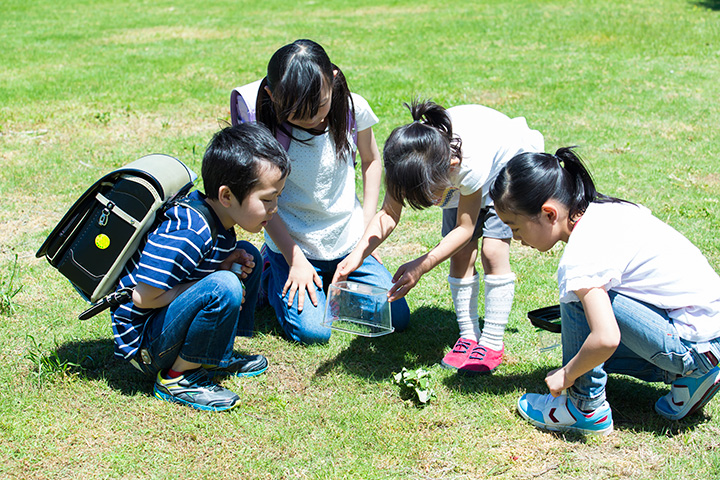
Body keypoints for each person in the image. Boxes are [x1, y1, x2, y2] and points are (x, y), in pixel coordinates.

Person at [489, 147, 720, 435]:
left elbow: (607, 338)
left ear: (549, 213)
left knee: (579, 301)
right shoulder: (608, 212)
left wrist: (566, 374)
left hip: (689, 343)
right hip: (710, 335)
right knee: (590, 316)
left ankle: (585, 407)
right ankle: (693, 374)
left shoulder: (580, 257)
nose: (515, 238)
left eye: (515, 226)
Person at [334, 100, 544, 375]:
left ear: (450, 167)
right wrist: (356, 254)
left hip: (503, 168)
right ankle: (468, 337)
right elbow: (387, 214)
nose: (433, 201)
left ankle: (492, 342)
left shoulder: (466, 165)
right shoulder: (405, 162)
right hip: (454, 179)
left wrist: (420, 266)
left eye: (431, 192)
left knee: (493, 251)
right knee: (460, 254)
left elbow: (465, 228)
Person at [110, 123, 290, 411]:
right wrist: (215, 278)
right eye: (267, 199)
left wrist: (221, 263)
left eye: (277, 197)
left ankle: (216, 355)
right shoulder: (191, 230)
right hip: (147, 345)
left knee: (244, 255)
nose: (274, 208)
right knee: (225, 284)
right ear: (227, 196)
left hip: (166, 324)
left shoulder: (219, 219)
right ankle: (178, 377)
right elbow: (143, 296)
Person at [254, 39, 410, 344]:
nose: (312, 119)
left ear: (334, 79)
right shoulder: (267, 130)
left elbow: (371, 161)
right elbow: (262, 200)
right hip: (293, 245)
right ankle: (272, 271)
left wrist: (366, 234)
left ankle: (326, 285)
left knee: (398, 317)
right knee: (314, 332)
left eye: (320, 106)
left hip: (347, 243)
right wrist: (294, 258)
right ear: (272, 97)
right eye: (297, 114)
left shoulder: (354, 109)